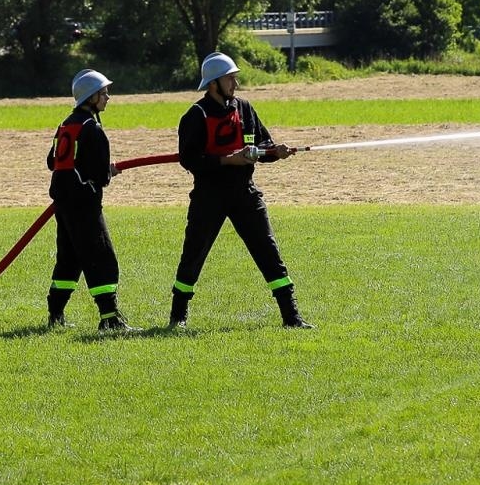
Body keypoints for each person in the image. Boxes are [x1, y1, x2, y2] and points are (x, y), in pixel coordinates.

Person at [168, 53, 312, 329]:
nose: (235, 83)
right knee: (194, 253)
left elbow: (263, 145)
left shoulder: (244, 108)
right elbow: (189, 159)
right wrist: (227, 159)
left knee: (268, 250)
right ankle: (178, 317)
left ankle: (291, 317)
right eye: (229, 78)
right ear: (213, 84)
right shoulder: (195, 115)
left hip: (244, 193)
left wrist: (275, 151)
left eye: (235, 77)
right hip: (209, 195)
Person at [46, 69, 135, 332]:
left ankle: (55, 315)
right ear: (91, 97)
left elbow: (52, 161)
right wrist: (107, 171)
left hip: (63, 202)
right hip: (84, 204)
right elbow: (98, 175)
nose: (108, 97)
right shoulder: (92, 128)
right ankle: (110, 319)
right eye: (103, 93)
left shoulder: (66, 124)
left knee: (70, 260)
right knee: (101, 257)